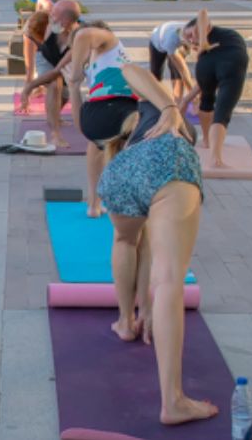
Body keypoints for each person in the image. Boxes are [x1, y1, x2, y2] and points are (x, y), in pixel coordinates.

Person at [96, 63, 217, 425]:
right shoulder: (159, 106)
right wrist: (170, 107)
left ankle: (126, 321)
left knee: (127, 239)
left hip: (120, 176)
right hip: (167, 163)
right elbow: (130, 67)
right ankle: (174, 401)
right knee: (169, 280)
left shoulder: (120, 136)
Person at [67, 21, 138, 217]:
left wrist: (74, 76)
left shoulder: (109, 40)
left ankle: (94, 203)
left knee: (97, 146)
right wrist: (73, 84)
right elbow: (82, 125)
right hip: (119, 112)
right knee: (108, 148)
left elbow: (83, 35)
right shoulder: (93, 68)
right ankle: (102, 201)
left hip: (106, 115)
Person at [179, 9, 249, 168]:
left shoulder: (204, 28)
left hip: (227, 61)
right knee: (215, 106)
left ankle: (209, 145)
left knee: (214, 106)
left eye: (189, 34)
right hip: (229, 62)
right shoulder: (204, 50)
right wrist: (186, 100)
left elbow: (202, 13)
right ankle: (212, 151)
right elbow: (203, 85)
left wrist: (202, 39)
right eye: (189, 40)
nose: (191, 39)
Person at [19, 2, 81, 148]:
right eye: (51, 14)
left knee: (63, 96)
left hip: (61, 65)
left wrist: (29, 88)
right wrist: (29, 80)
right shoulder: (42, 22)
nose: (51, 17)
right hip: (45, 59)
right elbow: (28, 48)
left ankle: (54, 118)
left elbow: (58, 70)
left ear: (66, 21)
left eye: (54, 15)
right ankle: (55, 135)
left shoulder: (78, 37)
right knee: (55, 85)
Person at [149, 21, 194, 103]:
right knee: (156, 74)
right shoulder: (172, 40)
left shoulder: (195, 32)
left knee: (176, 73)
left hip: (177, 39)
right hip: (158, 42)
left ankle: (177, 101)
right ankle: (156, 100)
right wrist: (194, 96)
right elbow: (183, 71)